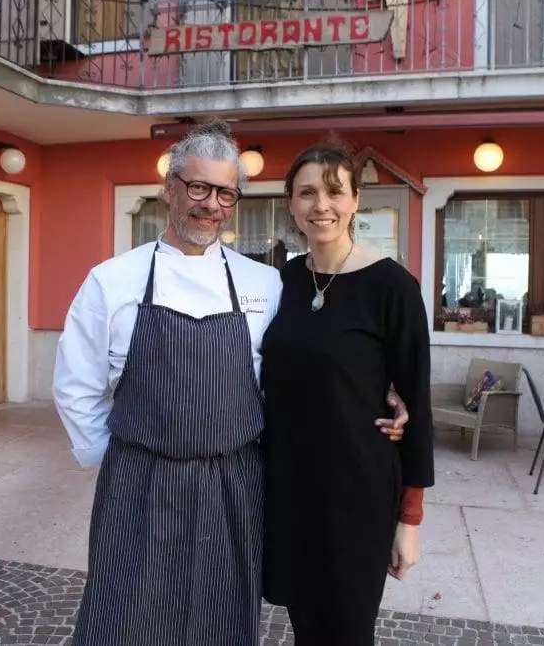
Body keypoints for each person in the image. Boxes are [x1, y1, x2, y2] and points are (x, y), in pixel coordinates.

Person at [53, 120, 408, 646]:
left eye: (225, 193)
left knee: (219, 619)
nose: (210, 204)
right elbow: (76, 384)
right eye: (198, 187)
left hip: (232, 484)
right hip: (140, 482)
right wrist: (117, 460)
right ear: (169, 189)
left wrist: (384, 389)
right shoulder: (113, 279)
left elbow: (307, 360)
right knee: (126, 615)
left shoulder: (264, 281)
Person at [260, 140, 436, 645]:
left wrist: (410, 519)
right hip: (290, 487)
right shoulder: (283, 281)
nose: (322, 205)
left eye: (335, 192)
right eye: (307, 192)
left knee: (348, 631)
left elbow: (416, 407)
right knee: (306, 627)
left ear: (356, 199)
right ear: (291, 203)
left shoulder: (392, 287)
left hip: (358, 491)